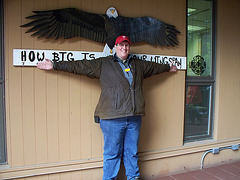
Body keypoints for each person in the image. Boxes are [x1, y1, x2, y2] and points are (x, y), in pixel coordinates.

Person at [37, 35, 177, 180]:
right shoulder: (104, 64)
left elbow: (155, 67)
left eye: (126, 45)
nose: (124, 48)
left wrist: (169, 67)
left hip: (134, 117)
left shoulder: (138, 64)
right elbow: (80, 66)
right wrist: (54, 65)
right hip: (112, 118)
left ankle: (133, 178)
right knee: (112, 154)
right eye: (120, 45)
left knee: (132, 152)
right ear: (115, 48)